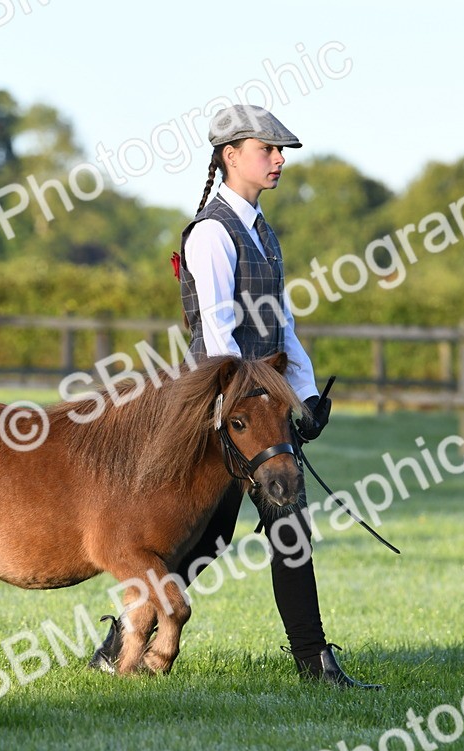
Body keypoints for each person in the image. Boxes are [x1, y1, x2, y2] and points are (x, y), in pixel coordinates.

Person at [89, 105, 381, 689]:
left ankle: (310, 661)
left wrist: (304, 397)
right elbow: (220, 340)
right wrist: (248, 411)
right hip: (225, 412)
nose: (279, 159)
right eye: (267, 149)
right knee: (220, 533)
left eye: (281, 151)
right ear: (230, 155)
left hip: (260, 409)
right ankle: (128, 643)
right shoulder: (212, 233)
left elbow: (281, 327)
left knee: (262, 532)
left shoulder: (262, 231)